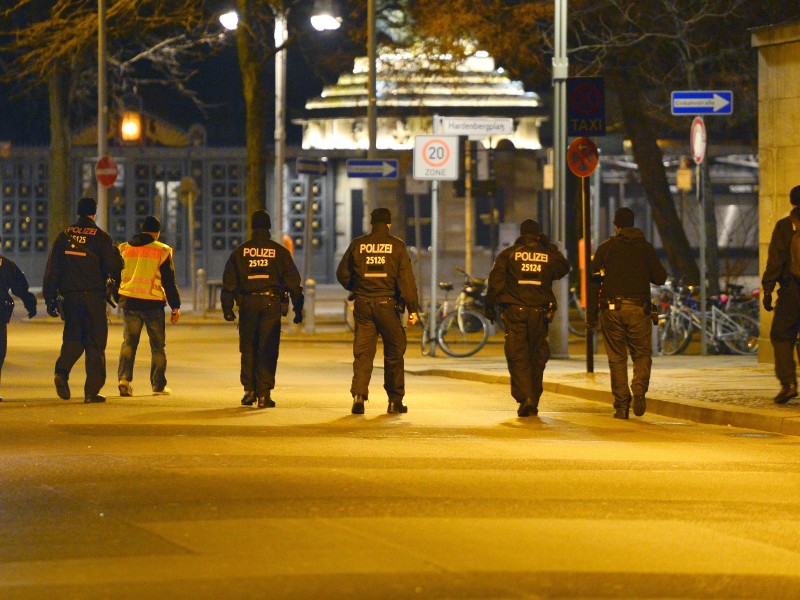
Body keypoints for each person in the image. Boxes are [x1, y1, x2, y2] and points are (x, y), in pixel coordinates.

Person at [336, 207, 419, 415]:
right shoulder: (397, 246)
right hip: (388, 305)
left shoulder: (358, 244)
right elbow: (406, 280)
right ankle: (394, 401)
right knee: (394, 352)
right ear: (389, 224)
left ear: (372, 224)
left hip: (363, 304)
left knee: (363, 353)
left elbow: (342, 273)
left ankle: (359, 397)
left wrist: (356, 288)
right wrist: (412, 309)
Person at [484, 219, 570, 417]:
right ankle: (533, 397)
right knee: (536, 358)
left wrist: (489, 306)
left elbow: (495, 282)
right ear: (538, 235)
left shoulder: (508, 254)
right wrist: (550, 247)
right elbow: (564, 268)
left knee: (517, 356)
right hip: (540, 315)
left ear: (521, 234)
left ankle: (525, 398)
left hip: (515, 313)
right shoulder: (547, 255)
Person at [587, 206, 667, 419]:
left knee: (617, 358)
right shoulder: (645, 248)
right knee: (641, 354)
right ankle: (639, 390)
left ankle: (621, 406)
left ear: (616, 226)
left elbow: (594, 282)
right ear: (633, 225)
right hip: (639, 309)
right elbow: (660, 277)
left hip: (612, 309)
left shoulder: (606, 248)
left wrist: (591, 316)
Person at [43, 196, 123, 403]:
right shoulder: (102, 237)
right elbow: (114, 266)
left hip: (71, 299)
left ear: (78, 213)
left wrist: (50, 298)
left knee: (73, 339)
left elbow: (52, 269)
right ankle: (91, 392)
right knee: (95, 344)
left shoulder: (64, 236)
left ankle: (61, 372)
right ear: (93, 212)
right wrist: (116, 292)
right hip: (94, 299)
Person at [221, 210, 303, 408]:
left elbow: (229, 282)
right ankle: (264, 395)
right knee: (267, 348)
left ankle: (249, 391)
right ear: (268, 227)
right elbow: (293, 282)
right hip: (270, 305)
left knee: (248, 347)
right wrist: (298, 309)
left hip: (248, 305)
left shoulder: (241, 252)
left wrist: (228, 308)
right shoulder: (279, 252)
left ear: (252, 227)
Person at [116, 216, 181, 397]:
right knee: (158, 346)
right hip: (152, 304)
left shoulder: (124, 248)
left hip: (129, 301)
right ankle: (158, 385)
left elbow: (115, 273)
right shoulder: (162, 250)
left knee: (129, 342)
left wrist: (116, 296)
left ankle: (124, 379)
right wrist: (175, 306)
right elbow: (169, 281)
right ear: (157, 233)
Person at [762, 185, 800, 404]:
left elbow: (776, 260)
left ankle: (789, 384)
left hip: (791, 291)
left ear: (792, 202)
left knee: (782, 336)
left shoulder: (786, 227)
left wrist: (768, 289)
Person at [0, 253, 38, 401]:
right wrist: (30, 305)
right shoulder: (6, 264)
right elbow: (20, 287)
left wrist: (30, 305)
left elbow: (20, 286)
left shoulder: (7, 265)